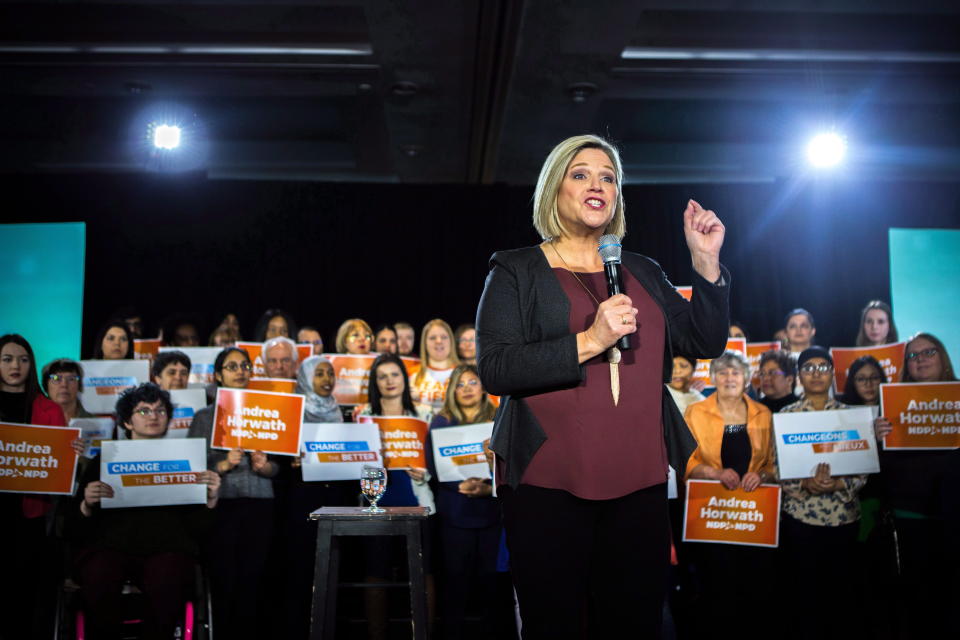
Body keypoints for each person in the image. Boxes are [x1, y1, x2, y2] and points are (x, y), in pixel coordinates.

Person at [476, 134, 729, 638]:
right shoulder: (516, 270)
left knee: (634, 623)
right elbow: (497, 368)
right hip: (549, 481)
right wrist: (589, 340)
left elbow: (704, 340)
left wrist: (705, 263)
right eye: (581, 174)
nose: (598, 185)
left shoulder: (642, 270)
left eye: (608, 177)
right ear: (555, 189)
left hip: (640, 478)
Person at [74, 383, 220, 640]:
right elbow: (76, 526)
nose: (153, 416)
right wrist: (86, 504)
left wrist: (210, 499)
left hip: (166, 548)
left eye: (160, 411)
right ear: (127, 422)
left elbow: (199, 529)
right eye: (143, 411)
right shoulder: (105, 459)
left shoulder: (187, 461)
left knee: (170, 579)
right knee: (97, 576)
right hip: (112, 546)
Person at [683, 351, 775, 637]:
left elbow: (773, 464)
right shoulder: (695, 412)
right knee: (716, 584)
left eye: (735, 372)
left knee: (753, 585)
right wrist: (714, 474)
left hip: (752, 514)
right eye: (722, 373)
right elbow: (685, 459)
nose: (729, 378)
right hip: (712, 513)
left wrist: (760, 475)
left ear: (747, 379)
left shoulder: (764, 413)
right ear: (713, 379)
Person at [187, 347, 277, 640]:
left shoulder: (266, 413)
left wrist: (265, 467)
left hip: (260, 504)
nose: (240, 371)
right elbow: (193, 467)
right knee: (224, 579)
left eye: (245, 366)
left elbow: (279, 468)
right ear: (218, 375)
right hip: (221, 506)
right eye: (232, 366)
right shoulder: (203, 417)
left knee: (253, 580)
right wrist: (223, 464)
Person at [777, 347, 866, 640]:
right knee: (805, 598)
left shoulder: (852, 416)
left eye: (822, 367)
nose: (816, 373)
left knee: (844, 597)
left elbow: (864, 467)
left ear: (832, 373)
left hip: (843, 519)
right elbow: (776, 467)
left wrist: (840, 485)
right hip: (800, 521)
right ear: (799, 376)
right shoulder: (785, 416)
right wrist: (804, 485)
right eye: (809, 368)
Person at [873, 333, 956, 636]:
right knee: (918, 603)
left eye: (928, 352)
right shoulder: (893, 403)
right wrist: (878, 438)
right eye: (913, 355)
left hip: (953, 519)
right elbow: (884, 469)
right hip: (911, 519)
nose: (920, 359)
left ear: (942, 357)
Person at [355, 354, 435, 639]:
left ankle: (424, 633)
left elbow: (436, 462)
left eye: (395, 375)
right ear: (375, 383)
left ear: (404, 378)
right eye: (383, 376)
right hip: (377, 505)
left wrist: (423, 471)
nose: (390, 381)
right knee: (376, 572)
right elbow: (353, 461)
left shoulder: (424, 413)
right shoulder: (362, 414)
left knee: (423, 572)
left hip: (417, 502)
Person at [0, 335, 69, 638]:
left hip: (30, 513)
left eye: (24, 359)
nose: (16, 366)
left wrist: (70, 452)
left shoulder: (49, 409)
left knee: (24, 589)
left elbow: (55, 464)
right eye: (7, 359)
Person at [426, 364, 500, 639]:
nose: (467, 389)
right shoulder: (441, 421)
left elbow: (511, 463)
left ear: (483, 387)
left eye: (472, 382)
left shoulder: (498, 417)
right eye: (460, 384)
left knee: (491, 586)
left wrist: (488, 486)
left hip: (491, 513)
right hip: (455, 515)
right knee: (455, 585)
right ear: (451, 390)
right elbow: (433, 465)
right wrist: (459, 485)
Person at [283, 355, 352, 639]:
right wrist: (291, 461)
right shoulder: (292, 412)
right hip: (302, 502)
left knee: (336, 567)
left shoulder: (344, 413)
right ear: (305, 378)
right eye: (319, 374)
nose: (326, 379)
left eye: (330, 373)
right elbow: (278, 462)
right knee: (301, 569)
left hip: (336, 499)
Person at [409, 319, 460, 410]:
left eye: (444, 337)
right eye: (432, 338)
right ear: (424, 343)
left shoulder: (465, 373)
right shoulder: (411, 374)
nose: (439, 341)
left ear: (451, 341)